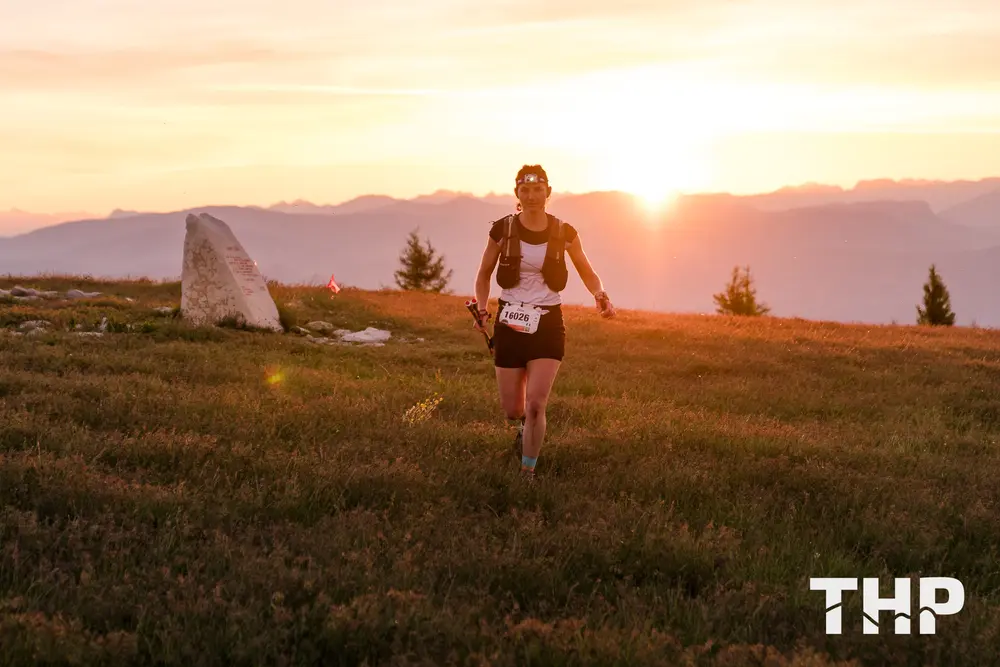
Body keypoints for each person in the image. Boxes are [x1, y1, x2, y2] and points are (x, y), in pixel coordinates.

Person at [473, 164, 616, 480]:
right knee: (514, 409)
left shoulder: (564, 231)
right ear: (517, 194)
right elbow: (483, 275)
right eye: (525, 190)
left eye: (538, 190)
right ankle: (523, 427)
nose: (532, 196)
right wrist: (482, 308)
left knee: (537, 403)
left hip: (549, 322)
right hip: (510, 320)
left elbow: (586, 270)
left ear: (548, 193)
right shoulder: (502, 230)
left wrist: (599, 293)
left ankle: (527, 472)